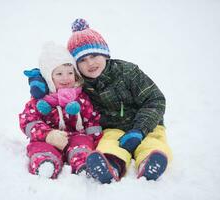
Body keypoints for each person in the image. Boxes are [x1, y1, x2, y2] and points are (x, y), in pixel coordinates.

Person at [66, 18, 172, 183]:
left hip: (147, 125)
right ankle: (111, 165)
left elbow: (155, 100)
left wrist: (140, 130)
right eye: (82, 60)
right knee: (108, 144)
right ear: (76, 66)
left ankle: (149, 163)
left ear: (105, 53)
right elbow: (58, 83)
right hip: (112, 129)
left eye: (94, 56)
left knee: (152, 142)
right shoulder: (81, 86)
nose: (90, 63)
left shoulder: (128, 72)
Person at [19, 42, 102, 179]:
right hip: (49, 138)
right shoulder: (40, 100)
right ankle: (45, 164)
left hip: (76, 136)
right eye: (59, 74)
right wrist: (47, 135)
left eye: (70, 73)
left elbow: (91, 118)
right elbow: (28, 121)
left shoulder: (80, 96)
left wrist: (95, 137)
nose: (66, 78)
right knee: (40, 147)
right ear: (48, 77)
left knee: (82, 143)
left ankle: (83, 164)